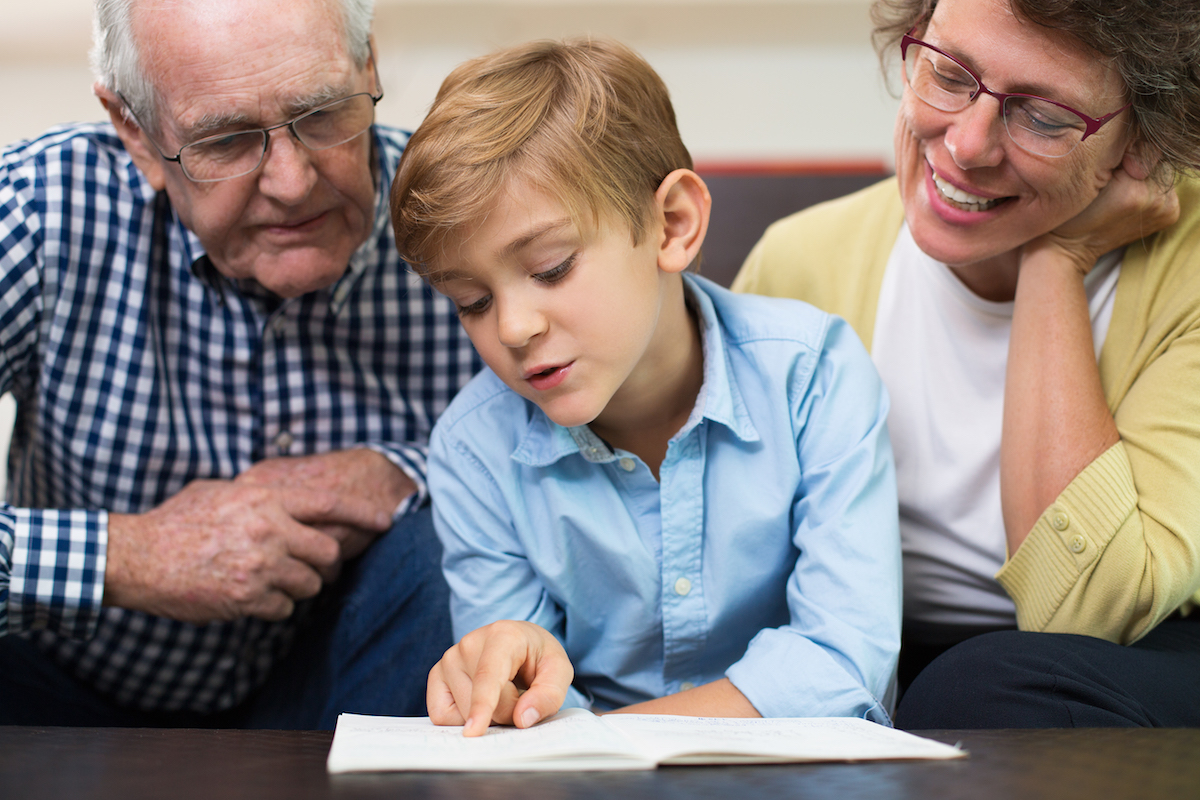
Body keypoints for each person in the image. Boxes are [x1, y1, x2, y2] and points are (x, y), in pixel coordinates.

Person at [389, 38, 901, 737]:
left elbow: (842, 664)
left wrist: (603, 736)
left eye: (550, 268)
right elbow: (527, 715)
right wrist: (511, 683)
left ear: (672, 225)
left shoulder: (815, 376)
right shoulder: (473, 449)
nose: (511, 327)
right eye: (471, 301)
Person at [0, 0, 480, 729]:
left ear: (369, 66)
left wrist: (415, 469)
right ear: (133, 130)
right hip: (54, 682)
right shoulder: (42, 210)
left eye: (322, 114)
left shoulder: (471, 214)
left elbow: (617, 459)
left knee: (442, 542)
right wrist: (122, 557)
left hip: (340, 686)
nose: (292, 183)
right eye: (226, 140)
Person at [733, 0, 1200, 728]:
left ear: (1141, 139)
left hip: (1137, 657)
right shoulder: (800, 264)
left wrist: (1058, 259)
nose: (968, 144)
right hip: (885, 654)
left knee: (976, 689)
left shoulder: (1190, 272)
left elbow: (1086, 613)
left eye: (1043, 118)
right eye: (949, 75)